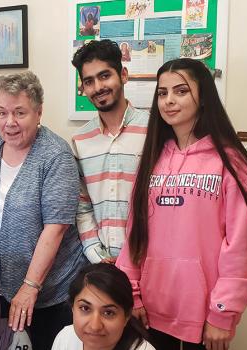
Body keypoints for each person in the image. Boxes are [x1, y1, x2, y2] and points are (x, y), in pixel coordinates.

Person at [116, 58, 247, 350]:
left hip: (206, 315)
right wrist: (131, 293)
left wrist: (223, 311)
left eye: (181, 91)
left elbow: (243, 246)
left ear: (203, 97)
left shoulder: (231, 162)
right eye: (162, 93)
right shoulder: (151, 160)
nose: (169, 100)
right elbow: (135, 234)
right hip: (150, 311)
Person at [0, 71, 88, 350]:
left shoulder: (55, 155)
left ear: (39, 113)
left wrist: (30, 286)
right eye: (2, 112)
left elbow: (56, 228)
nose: (9, 122)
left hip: (46, 293)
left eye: (19, 112)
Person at [70, 39, 148, 264]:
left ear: (123, 75)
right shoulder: (80, 140)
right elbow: (82, 208)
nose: (98, 87)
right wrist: (96, 254)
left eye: (105, 76)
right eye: (89, 81)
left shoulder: (154, 131)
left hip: (149, 264)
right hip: (103, 268)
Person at [52, 263, 155, 350]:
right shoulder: (65, 338)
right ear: (73, 308)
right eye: (85, 308)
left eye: (108, 313)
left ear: (126, 316)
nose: (95, 326)